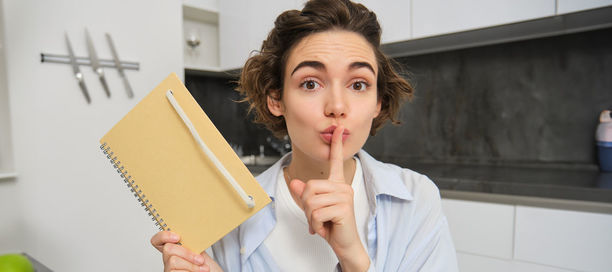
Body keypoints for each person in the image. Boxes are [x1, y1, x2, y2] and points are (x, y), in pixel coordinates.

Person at [151, 0, 458, 271]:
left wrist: (353, 258)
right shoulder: (231, 216)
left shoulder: (416, 199)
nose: (337, 106)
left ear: (378, 102)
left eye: (358, 84)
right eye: (311, 83)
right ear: (276, 99)